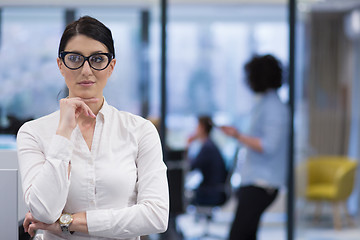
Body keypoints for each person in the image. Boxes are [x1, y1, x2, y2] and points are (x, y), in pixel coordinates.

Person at [17, 16, 169, 240]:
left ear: (111, 66)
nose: (86, 70)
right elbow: (43, 212)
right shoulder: (33, 132)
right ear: (61, 65)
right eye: (75, 58)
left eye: (97, 59)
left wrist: (67, 222)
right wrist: (64, 132)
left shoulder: (140, 130)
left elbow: (156, 216)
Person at [221, 54, 289, 240]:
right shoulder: (265, 103)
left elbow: (268, 145)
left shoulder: (274, 107)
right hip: (255, 181)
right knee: (247, 234)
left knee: (238, 235)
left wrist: (237, 135)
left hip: (262, 184)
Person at [187, 116, 228, 206]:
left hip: (210, 193)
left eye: (197, 127)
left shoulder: (207, 148)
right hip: (214, 190)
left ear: (202, 128)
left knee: (181, 196)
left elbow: (191, 167)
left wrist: (188, 146)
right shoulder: (210, 145)